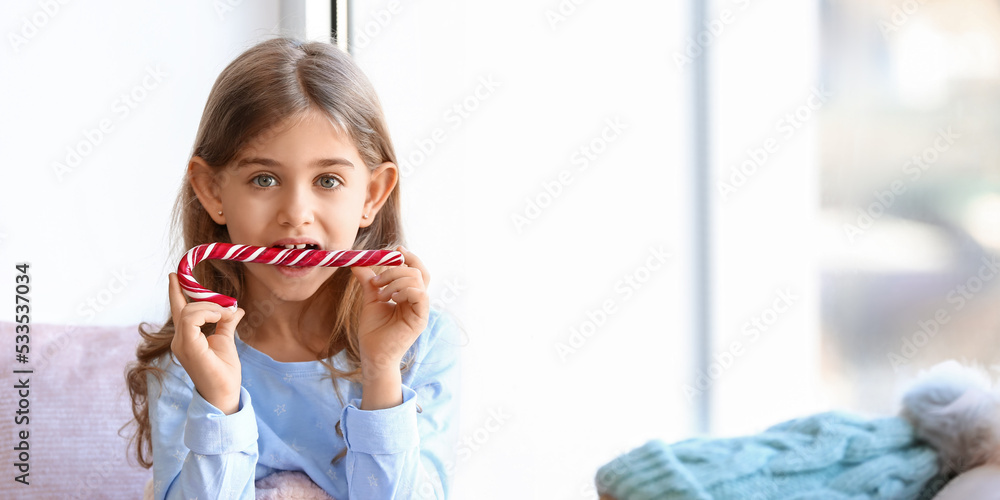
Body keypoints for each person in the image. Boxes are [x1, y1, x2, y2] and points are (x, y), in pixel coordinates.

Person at [122, 36, 463, 500]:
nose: (296, 212)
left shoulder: (421, 346)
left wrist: (382, 372)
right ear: (213, 192)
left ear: (372, 195)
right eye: (264, 179)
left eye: (328, 180)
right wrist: (219, 402)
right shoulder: (188, 359)